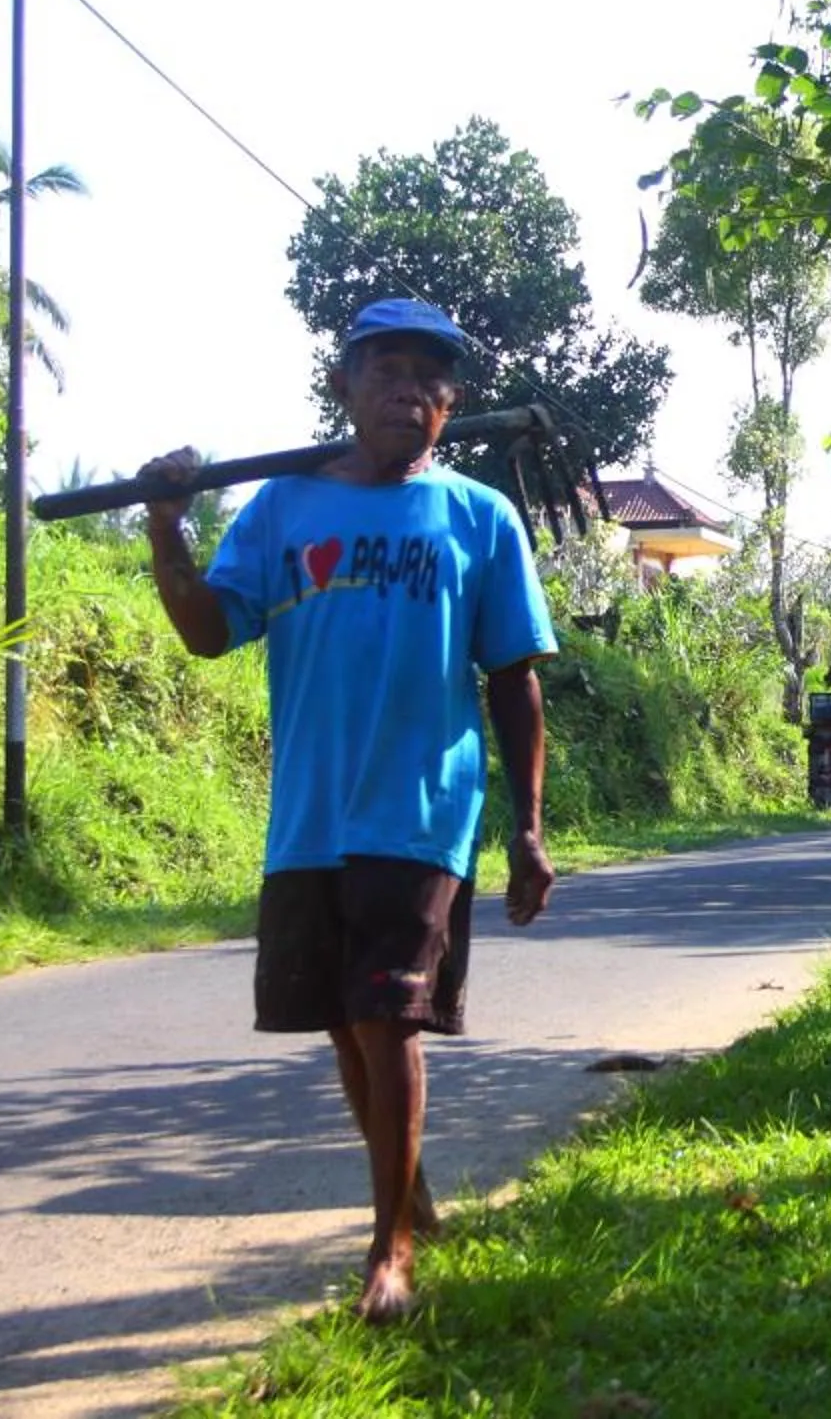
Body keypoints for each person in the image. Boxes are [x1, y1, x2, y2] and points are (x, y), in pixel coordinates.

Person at [137, 296, 556, 1323]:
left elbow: (514, 678)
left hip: (421, 809)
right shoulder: (281, 509)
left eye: (429, 378)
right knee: (343, 1021)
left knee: (387, 1015)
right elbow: (207, 632)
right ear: (345, 387)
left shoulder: (477, 518)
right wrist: (164, 528)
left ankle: (389, 1251)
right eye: (386, 371)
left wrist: (528, 826)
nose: (407, 392)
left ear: (450, 404)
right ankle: (414, 1200)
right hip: (309, 815)